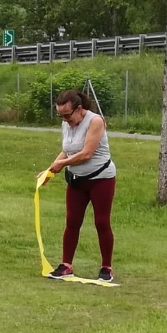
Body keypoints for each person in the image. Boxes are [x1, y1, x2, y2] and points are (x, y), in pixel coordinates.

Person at [42, 89, 117, 282]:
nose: (64, 119)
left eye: (67, 115)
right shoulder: (66, 123)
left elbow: (86, 153)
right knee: (72, 222)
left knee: (101, 222)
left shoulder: (95, 121)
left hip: (101, 178)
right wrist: (50, 170)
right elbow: (67, 151)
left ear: (79, 109)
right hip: (77, 180)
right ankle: (66, 265)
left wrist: (61, 164)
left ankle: (106, 268)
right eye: (61, 115)